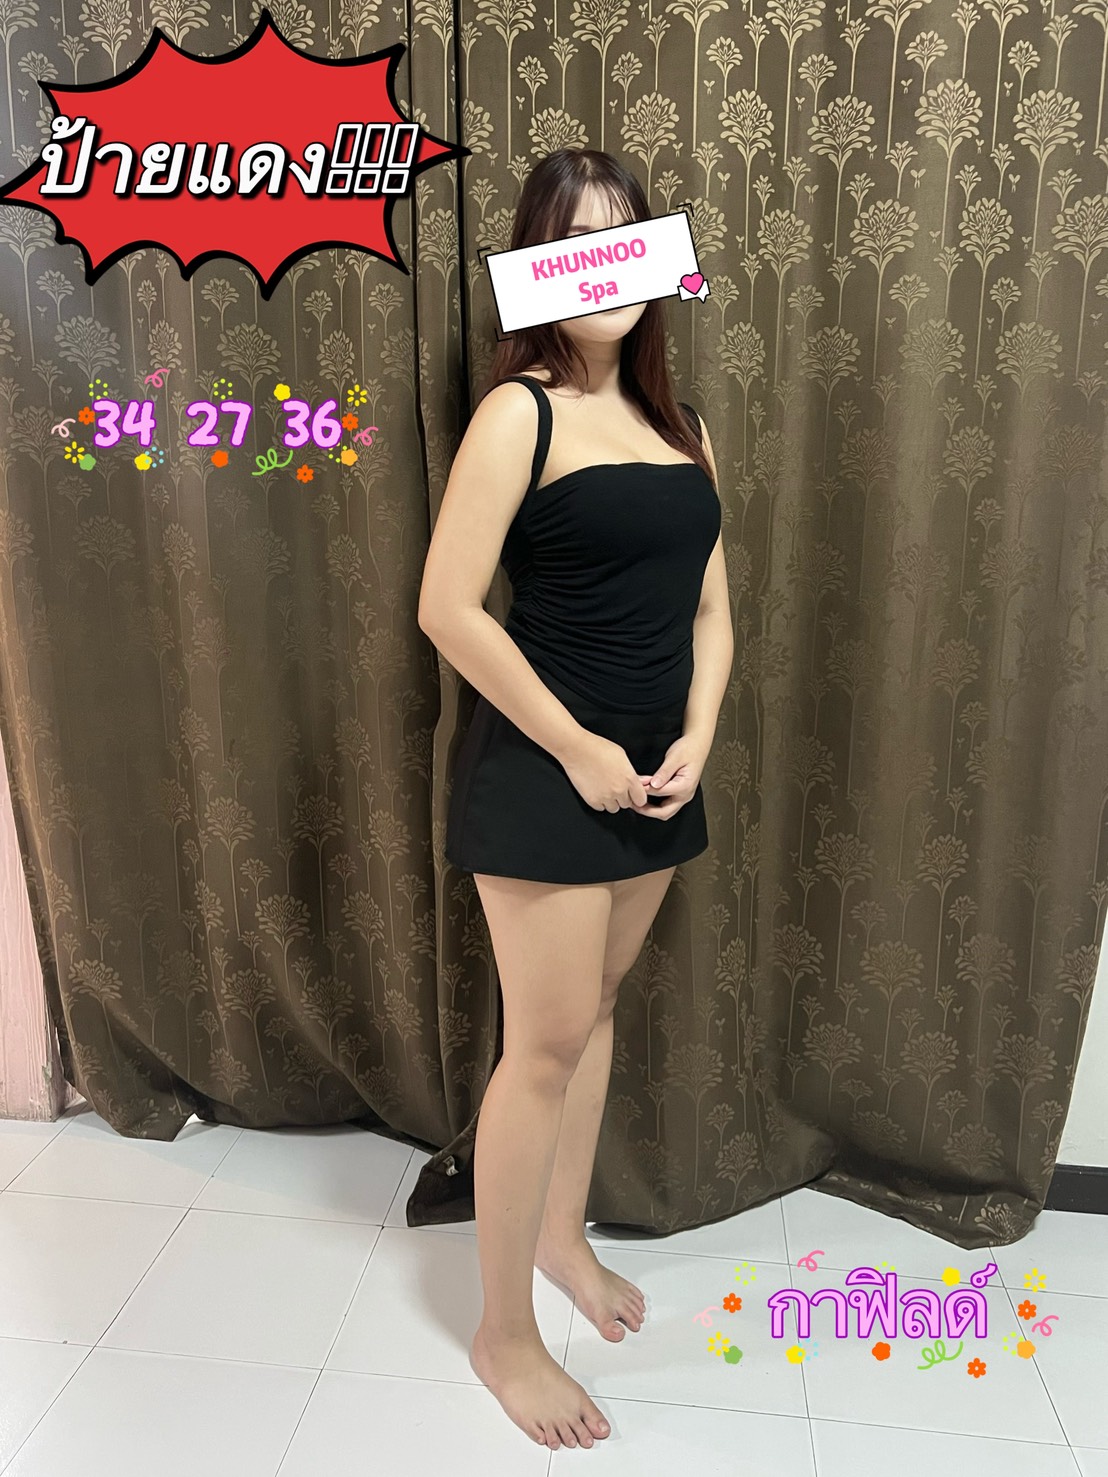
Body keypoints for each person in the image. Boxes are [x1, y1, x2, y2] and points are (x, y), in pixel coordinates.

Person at [417, 148, 733, 1451]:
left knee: (593, 1014)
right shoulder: (519, 414)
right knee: (540, 1046)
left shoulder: (683, 425)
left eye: (626, 239)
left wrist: (698, 733)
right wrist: (579, 748)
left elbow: (713, 612)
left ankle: (562, 1237)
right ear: (542, 268)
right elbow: (447, 609)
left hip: (657, 776)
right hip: (548, 773)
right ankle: (503, 1333)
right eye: (575, 244)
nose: (605, 268)